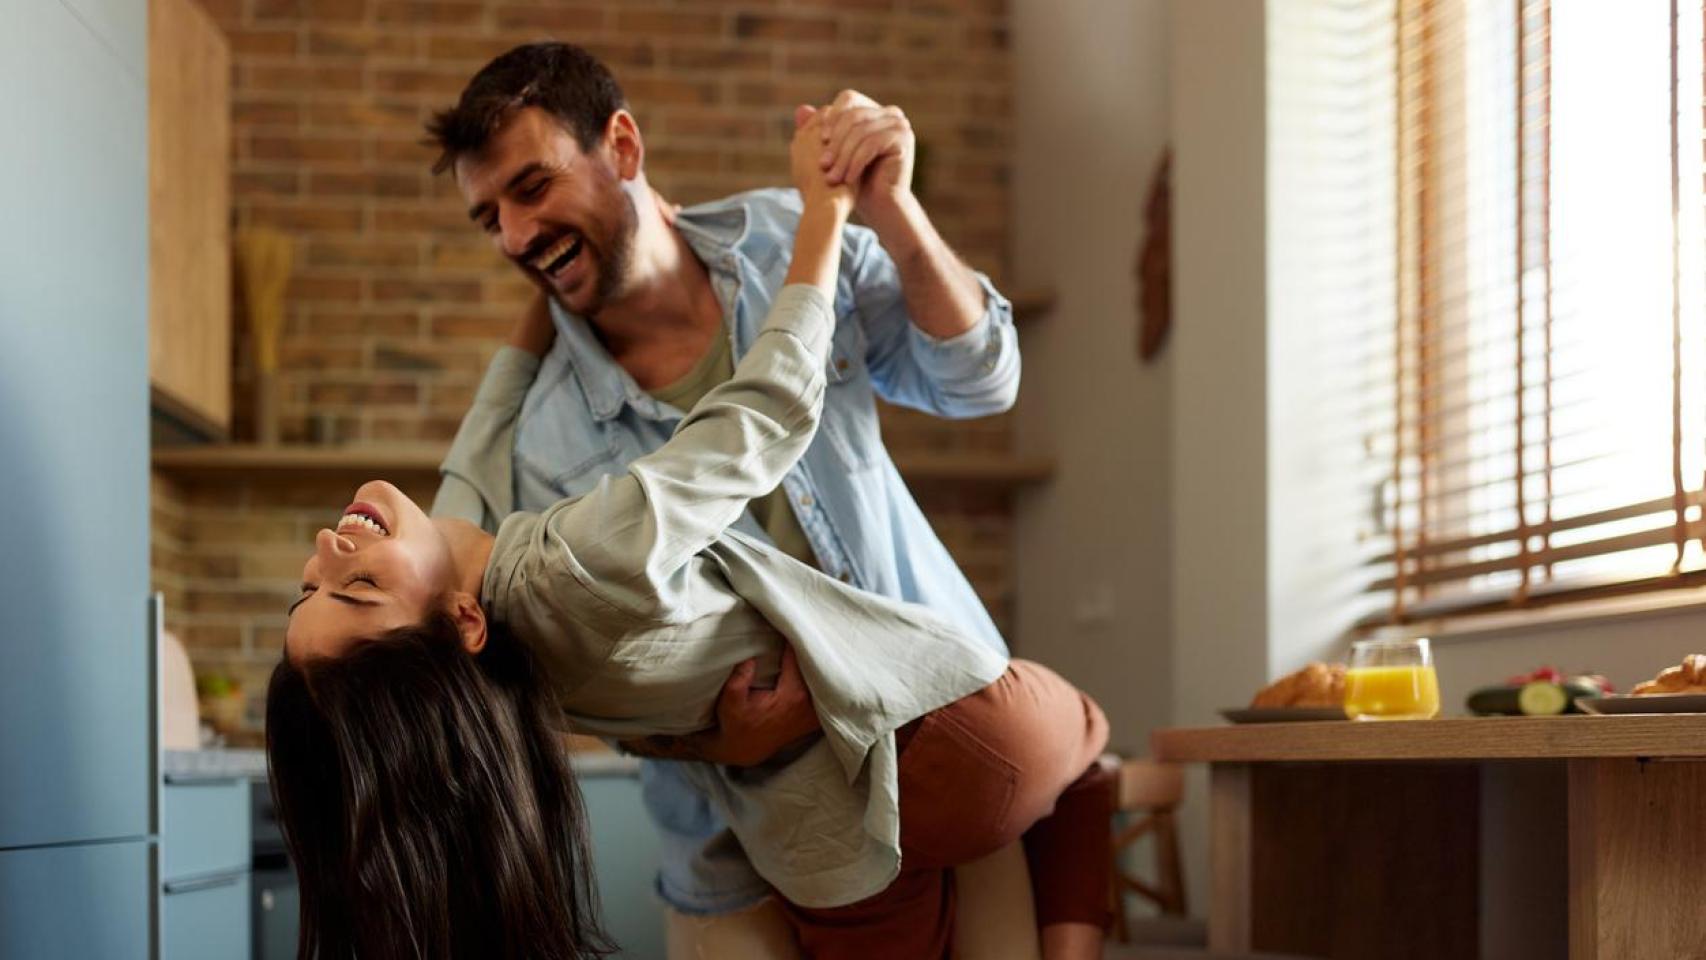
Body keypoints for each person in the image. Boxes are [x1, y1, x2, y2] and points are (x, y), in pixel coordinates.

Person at [267, 112, 1111, 960]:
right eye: (356, 589)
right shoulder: (564, 545)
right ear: (460, 622)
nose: (325, 553)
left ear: (623, 147)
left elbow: (982, 377)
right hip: (920, 736)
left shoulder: (475, 578)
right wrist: (825, 216)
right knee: (1089, 750)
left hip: (828, 841)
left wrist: (542, 295)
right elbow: (765, 414)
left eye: (527, 193)